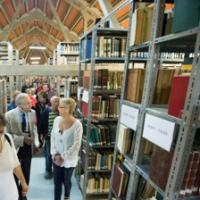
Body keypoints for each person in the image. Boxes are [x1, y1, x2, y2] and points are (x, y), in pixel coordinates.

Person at [5, 93, 39, 200]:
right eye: (28, 103)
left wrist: (36, 143)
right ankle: (15, 194)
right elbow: (7, 135)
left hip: (28, 148)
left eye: (30, 102)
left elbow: (34, 129)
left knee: (26, 172)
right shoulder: (9, 115)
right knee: (15, 173)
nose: (31, 104)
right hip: (14, 148)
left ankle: (23, 194)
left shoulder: (32, 112)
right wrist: (23, 139)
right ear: (20, 105)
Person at [51, 98, 83, 200]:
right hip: (56, 158)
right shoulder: (57, 120)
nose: (58, 108)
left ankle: (67, 197)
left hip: (69, 159)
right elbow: (52, 137)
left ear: (68, 109)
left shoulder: (77, 125)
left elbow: (76, 145)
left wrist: (63, 157)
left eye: (61, 107)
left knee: (66, 181)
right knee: (57, 183)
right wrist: (55, 155)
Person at [0, 113, 29, 200]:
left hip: (9, 190)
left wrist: (23, 182)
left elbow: (15, 163)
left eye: (1, 131)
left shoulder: (7, 138)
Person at [42, 96, 60, 179]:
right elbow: (42, 124)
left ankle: (56, 170)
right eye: (55, 101)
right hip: (49, 137)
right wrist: (42, 135)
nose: (57, 103)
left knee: (57, 154)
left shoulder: (60, 112)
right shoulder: (47, 111)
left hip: (59, 138)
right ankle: (48, 170)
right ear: (51, 102)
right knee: (49, 154)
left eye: (58, 101)